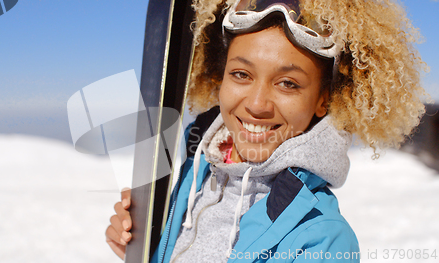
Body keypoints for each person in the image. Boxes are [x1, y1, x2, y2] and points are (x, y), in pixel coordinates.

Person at [106, 0, 428, 262]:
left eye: (287, 83)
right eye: (242, 74)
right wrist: (146, 245)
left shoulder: (323, 241)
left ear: (322, 100)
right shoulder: (200, 170)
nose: (258, 104)